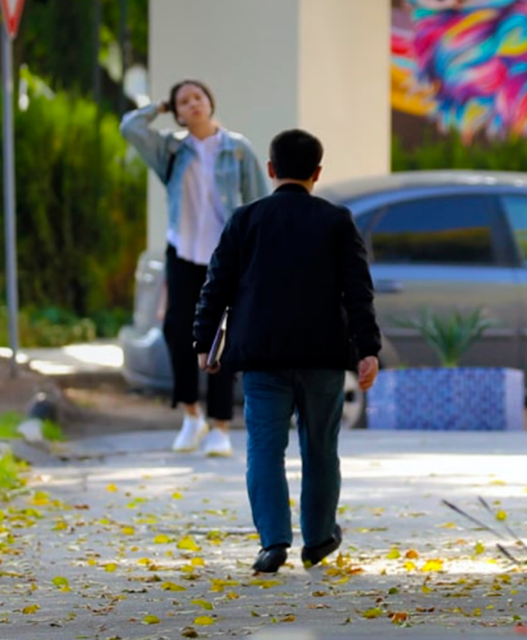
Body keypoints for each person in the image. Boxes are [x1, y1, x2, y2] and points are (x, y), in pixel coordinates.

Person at [192, 129, 382, 575]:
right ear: (318, 173)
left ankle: (272, 542)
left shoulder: (245, 219)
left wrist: (204, 342)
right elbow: (358, 291)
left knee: (264, 447)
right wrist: (368, 349)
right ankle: (317, 539)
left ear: (270, 169)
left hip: (261, 355)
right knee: (320, 448)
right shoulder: (337, 221)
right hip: (322, 355)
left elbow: (215, 285)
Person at [120, 80, 269, 456]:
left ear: (210, 102)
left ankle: (220, 426)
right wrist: (158, 107)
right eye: (183, 102)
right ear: (178, 111)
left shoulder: (237, 149)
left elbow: (257, 203)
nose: (192, 104)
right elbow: (130, 128)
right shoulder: (171, 150)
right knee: (176, 331)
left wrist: (255, 256)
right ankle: (191, 415)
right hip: (182, 253)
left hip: (225, 256)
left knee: (223, 336)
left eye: (197, 97)